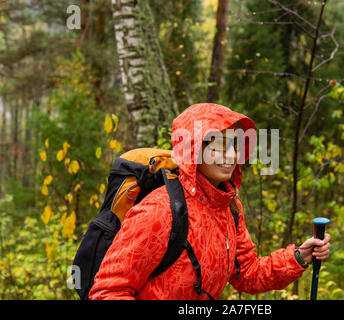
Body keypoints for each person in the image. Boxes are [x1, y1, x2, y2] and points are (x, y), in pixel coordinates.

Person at [89, 103, 330, 300]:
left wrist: (298, 257)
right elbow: (108, 291)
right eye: (218, 146)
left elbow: (246, 274)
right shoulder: (159, 210)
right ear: (193, 150)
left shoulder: (229, 206)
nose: (232, 155)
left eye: (235, 145)